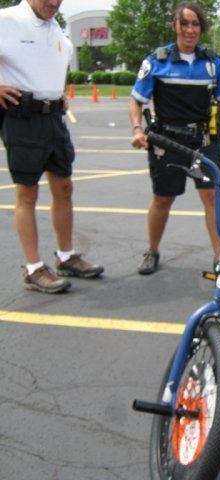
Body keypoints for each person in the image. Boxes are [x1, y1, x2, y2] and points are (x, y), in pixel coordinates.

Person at [0, 0, 104, 294]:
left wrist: (56, 94)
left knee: (64, 187)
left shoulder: (56, 29)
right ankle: (34, 269)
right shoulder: (7, 20)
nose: (54, 3)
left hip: (54, 118)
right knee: (27, 192)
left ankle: (66, 256)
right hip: (22, 117)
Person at [129, 1, 220, 275]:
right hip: (166, 143)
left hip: (204, 142)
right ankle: (152, 250)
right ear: (174, 25)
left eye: (195, 24)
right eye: (184, 23)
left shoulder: (213, 63)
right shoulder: (157, 61)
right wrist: (137, 130)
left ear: (202, 28)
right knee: (163, 199)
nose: (190, 29)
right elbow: (136, 102)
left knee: (212, 198)